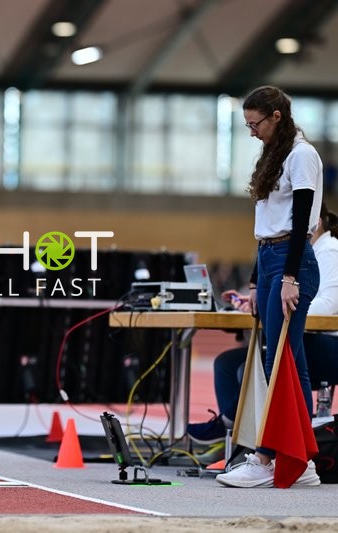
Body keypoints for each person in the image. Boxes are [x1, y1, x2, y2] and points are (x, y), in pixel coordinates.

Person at [215, 86, 323, 489]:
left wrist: (290, 277)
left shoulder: (301, 156)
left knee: (284, 362)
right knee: (280, 360)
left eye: (255, 123)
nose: (251, 131)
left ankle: (269, 457)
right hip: (269, 259)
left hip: (291, 261)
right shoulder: (273, 156)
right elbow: (264, 228)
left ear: (276, 116)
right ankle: (302, 459)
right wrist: (257, 282)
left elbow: (298, 225)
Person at [189, 202, 338, 450]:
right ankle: (232, 431)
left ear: (316, 222)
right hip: (306, 337)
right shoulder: (302, 254)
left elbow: (329, 305)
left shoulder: (330, 251)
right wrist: (260, 301)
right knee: (226, 364)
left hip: (329, 345)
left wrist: (279, 306)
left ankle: (249, 435)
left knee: (247, 370)